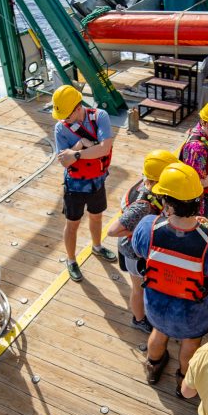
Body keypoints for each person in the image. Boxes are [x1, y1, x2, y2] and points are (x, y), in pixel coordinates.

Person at [132, 163, 208, 396]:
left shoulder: (146, 227)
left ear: (167, 203)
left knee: (158, 333)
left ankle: (153, 366)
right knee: (190, 346)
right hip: (192, 314)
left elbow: (139, 252)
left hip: (156, 307)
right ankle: (184, 384)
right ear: (198, 201)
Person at [51, 84, 117, 282]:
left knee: (96, 217)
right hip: (75, 185)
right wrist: (82, 144)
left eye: (67, 115)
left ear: (78, 108)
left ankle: (97, 247)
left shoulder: (100, 117)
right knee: (73, 223)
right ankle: (71, 260)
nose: (63, 119)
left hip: (97, 181)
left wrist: (76, 153)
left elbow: (104, 149)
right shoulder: (61, 127)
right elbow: (64, 161)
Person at [108, 149, 178, 334]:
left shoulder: (144, 184)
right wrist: (141, 230)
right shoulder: (143, 205)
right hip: (134, 253)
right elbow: (112, 230)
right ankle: (138, 319)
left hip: (141, 251)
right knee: (138, 288)